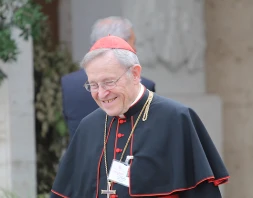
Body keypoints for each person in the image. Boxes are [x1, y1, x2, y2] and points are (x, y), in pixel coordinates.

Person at [50, 35, 229, 198]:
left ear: (135, 74)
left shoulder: (176, 118)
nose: (102, 93)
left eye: (109, 82)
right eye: (93, 85)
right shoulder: (88, 126)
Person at [61, 16, 156, 139]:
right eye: (133, 42)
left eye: (110, 82)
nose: (101, 94)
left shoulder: (69, 83)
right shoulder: (143, 85)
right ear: (120, 42)